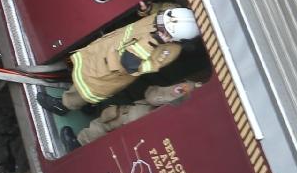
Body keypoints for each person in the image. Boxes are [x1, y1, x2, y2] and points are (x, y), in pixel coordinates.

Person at [41, 6, 201, 112]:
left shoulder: (169, 50)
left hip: (108, 73)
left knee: (83, 90)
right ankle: (85, 104)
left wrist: (153, 42)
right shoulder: (163, 19)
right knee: (82, 73)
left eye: (162, 29)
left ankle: (62, 106)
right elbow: (142, 25)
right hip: (103, 51)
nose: (157, 24)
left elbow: (131, 65)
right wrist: (146, 10)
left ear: (173, 37)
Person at [68, 79, 203, 146]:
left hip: (141, 116)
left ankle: (79, 143)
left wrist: (152, 88)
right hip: (157, 135)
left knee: (105, 124)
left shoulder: (189, 89)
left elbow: (154, 97)